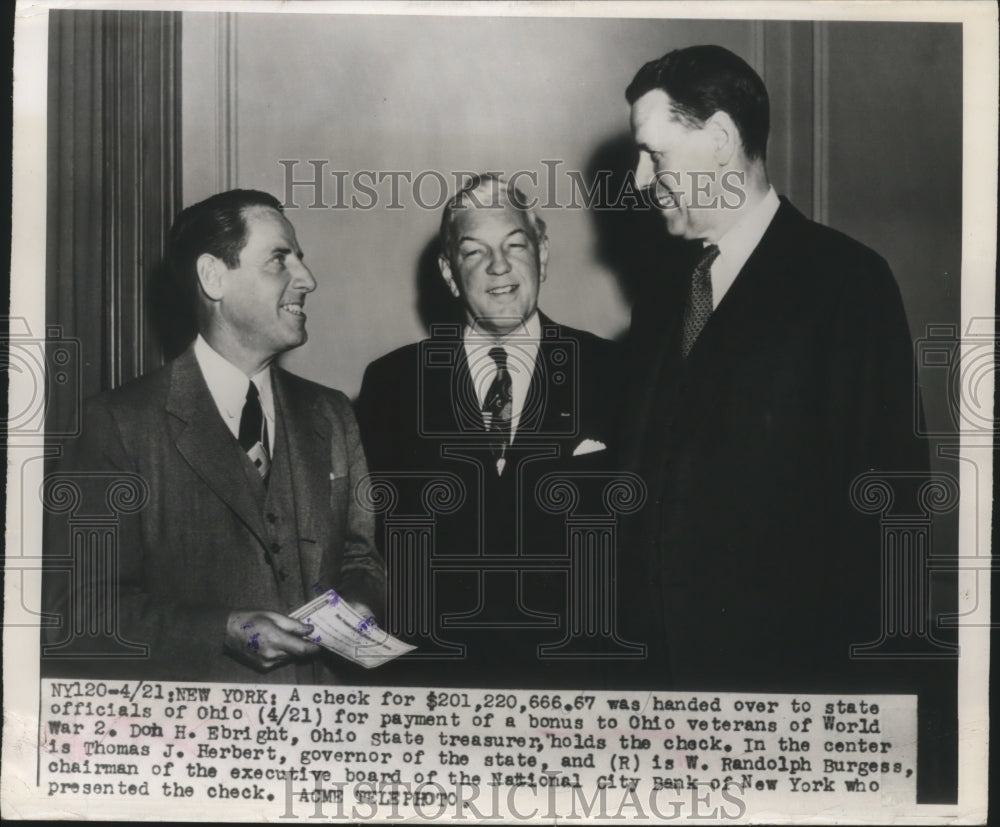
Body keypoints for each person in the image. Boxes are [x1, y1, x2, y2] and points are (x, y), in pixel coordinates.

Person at [619, 45, 932, 692]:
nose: (641, 179)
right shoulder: (663, 296)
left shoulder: (845, 282)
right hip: (662, 683)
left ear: (721, 139)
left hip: (790, 683)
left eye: (654, 154)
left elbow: (887, 515)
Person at [43, 189, 385, 683]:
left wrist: (360, 604)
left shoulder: (331, 413)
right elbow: (75, 612)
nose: (307, 279)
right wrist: (220, 631)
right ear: (213, 277)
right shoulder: (118, 424)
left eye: (300, 259)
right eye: (279, 260)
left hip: (324, 719)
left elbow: (361, 559)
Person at [355, 174, 621, 686]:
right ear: (449, 273)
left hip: (577, 681)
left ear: (543, 254)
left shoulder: (616, 373)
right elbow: (370, 544)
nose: (499, 266)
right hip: (433, 684)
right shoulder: (393, 383)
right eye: (474, 252)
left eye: (515, 245)